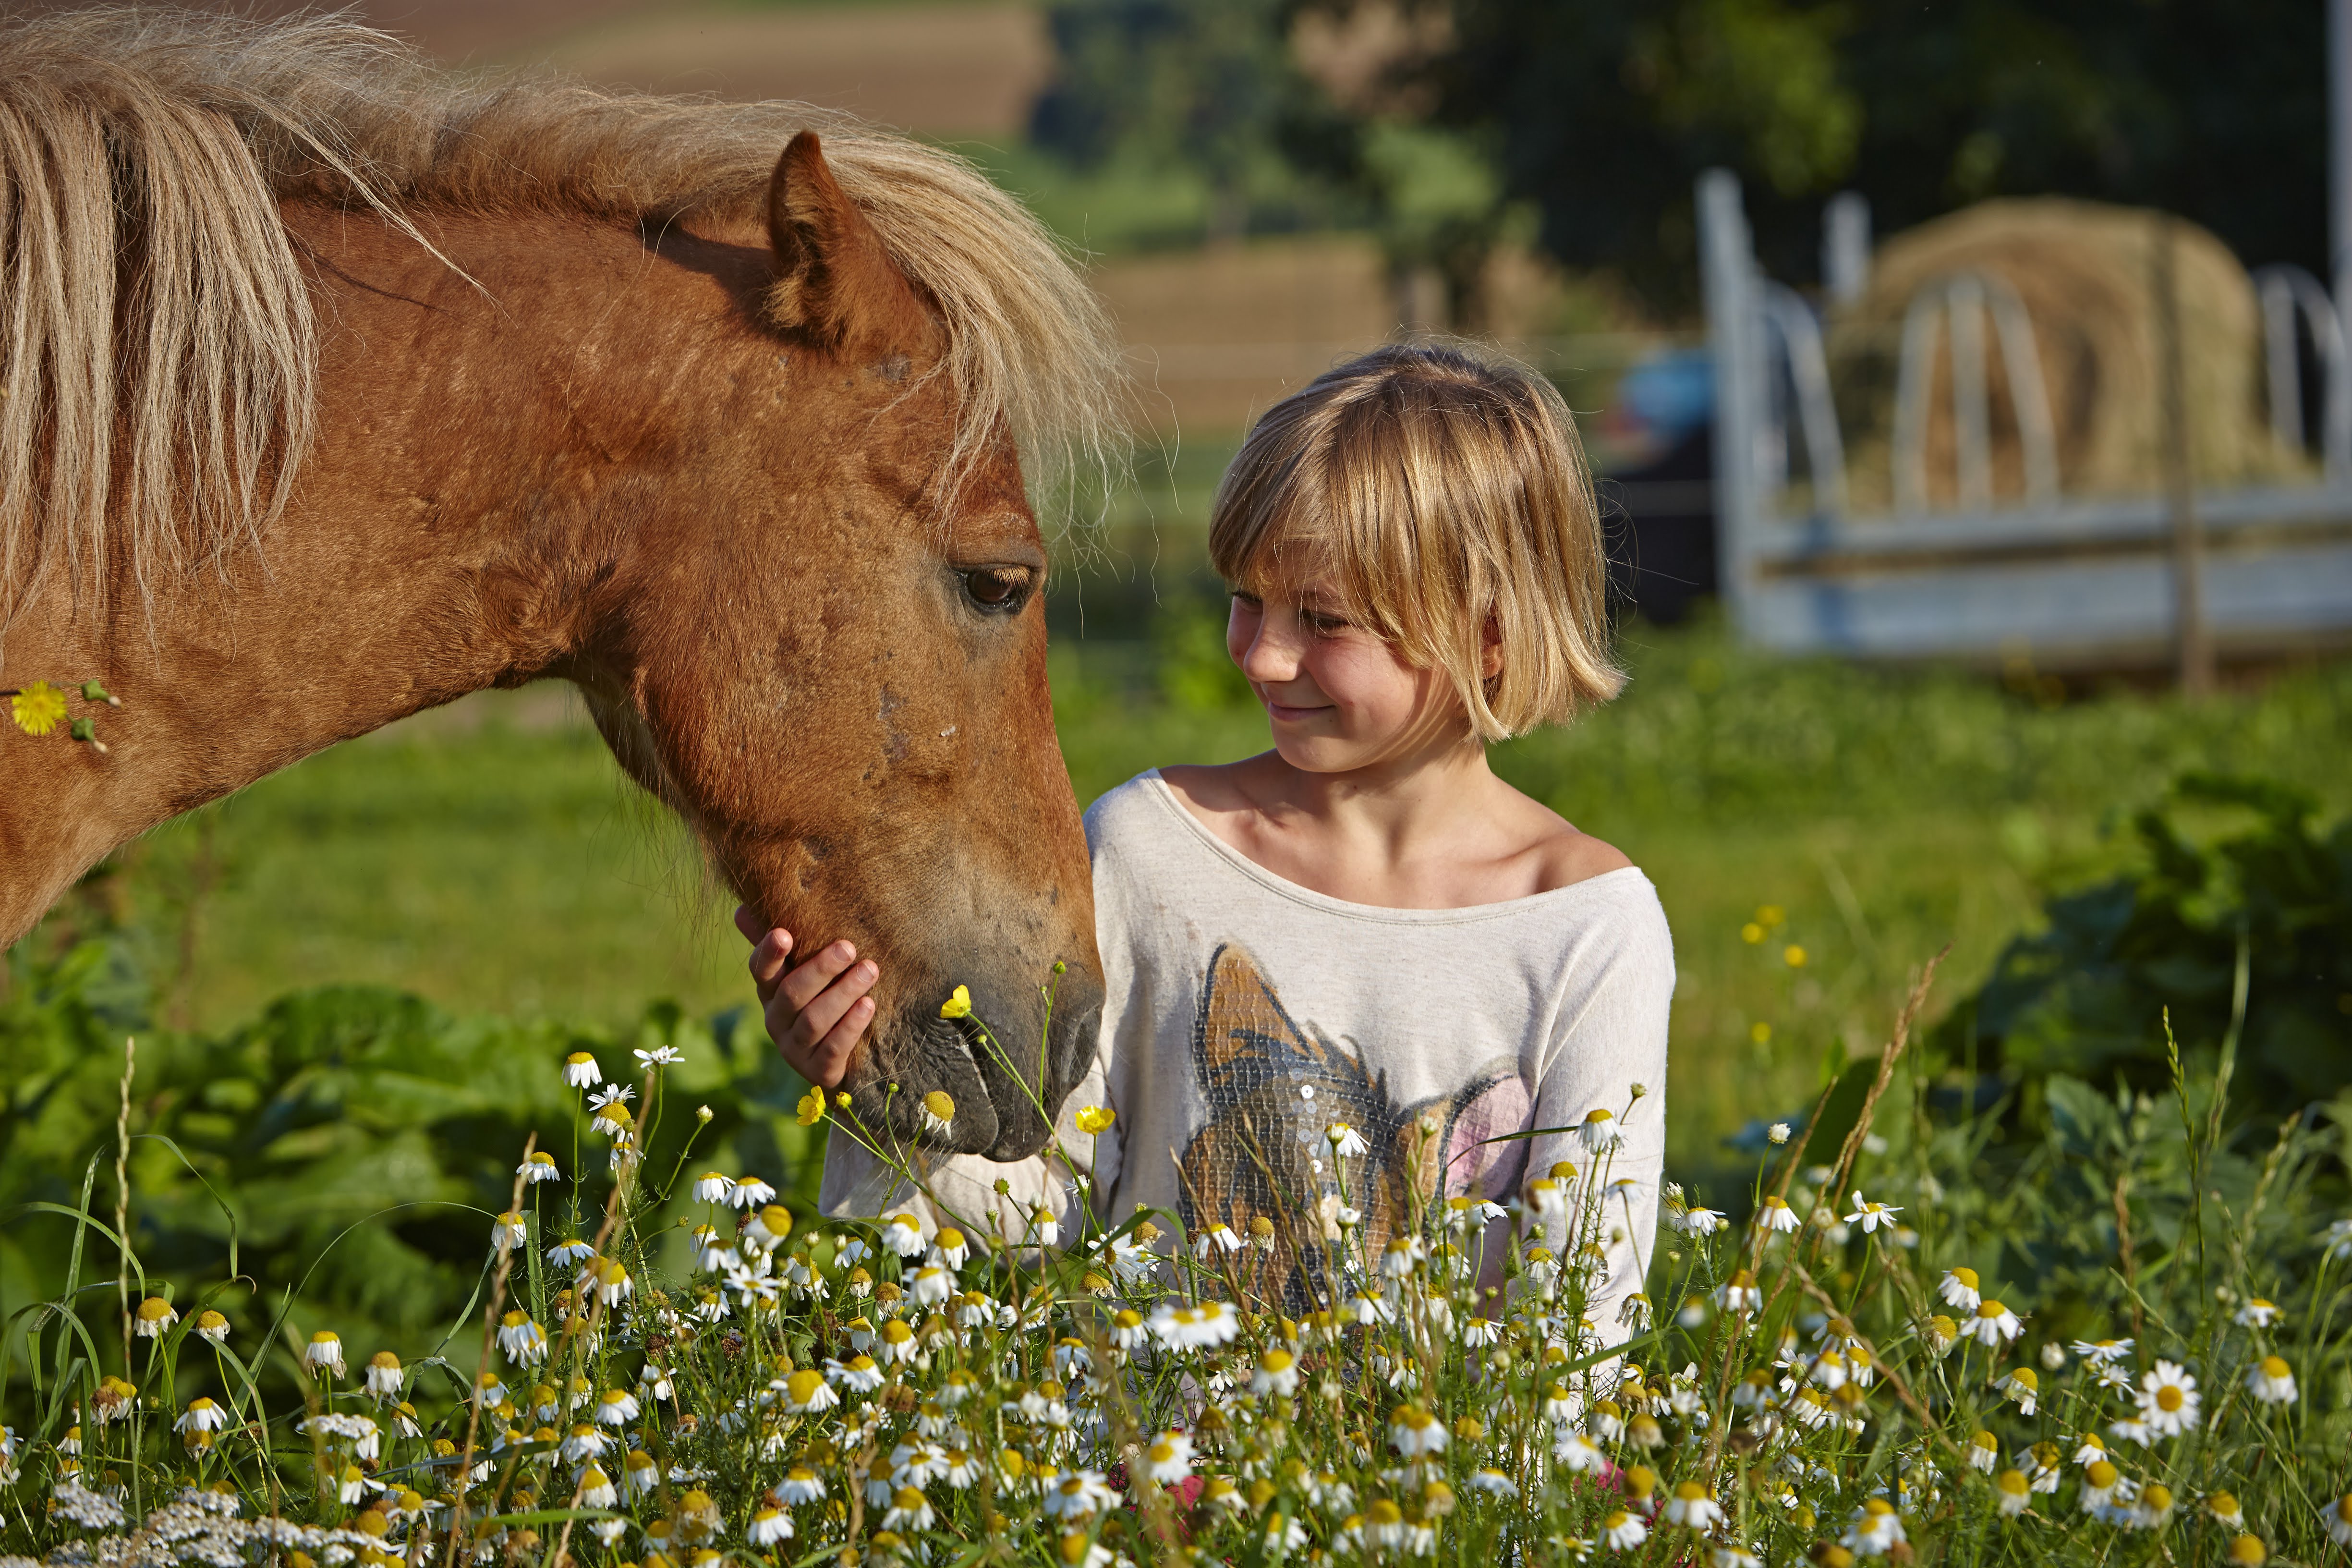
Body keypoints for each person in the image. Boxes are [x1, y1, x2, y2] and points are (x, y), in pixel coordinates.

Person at [736, 339, 1673, 1332]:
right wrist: (873, 1079)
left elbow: (1583, 1310)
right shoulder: (1151, 848)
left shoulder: (1583, 930)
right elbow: (1044, 1203)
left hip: (1444, 1486)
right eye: (1246, 600)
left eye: (1323, 618)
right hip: (1154, 1476)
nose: (1264, 654)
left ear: (1486, 634)